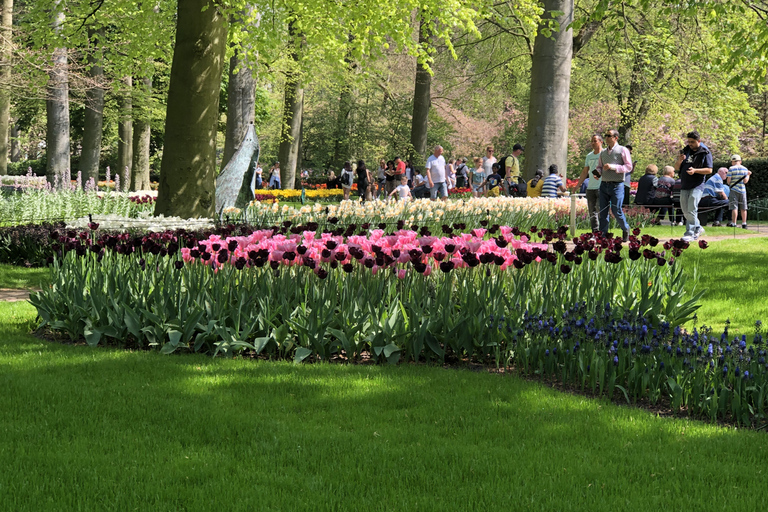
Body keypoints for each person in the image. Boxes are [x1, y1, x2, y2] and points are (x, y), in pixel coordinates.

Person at [674, 130, 713, 241]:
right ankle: (698, 227)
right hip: (685, 184)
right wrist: (679, 160)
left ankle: (690, 233)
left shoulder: (705, 152)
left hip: (697, 185)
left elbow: (709, 170)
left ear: (698, 141)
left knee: (692, 209)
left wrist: (695, 170)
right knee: (685, 210)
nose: (690, 144)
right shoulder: (686, 150)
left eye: (692, 142)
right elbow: (676, 168)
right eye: (689, 141)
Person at [596, 129, 632, 241]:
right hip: (603, 185)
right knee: (603, 211)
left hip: (617, 185)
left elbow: (628, 167)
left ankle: (625, 228)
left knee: (616, 210)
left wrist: (613, 167)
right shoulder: (602, 153)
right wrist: (596, 174)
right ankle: (603, 235)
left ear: (616, 137)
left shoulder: (623, 150)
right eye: (605, 135)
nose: (606, 138)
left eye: (609, 136)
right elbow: (599, 167)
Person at [576, 134, 604, 232]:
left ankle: (603, 232)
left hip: (602, 187)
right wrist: (577, 185)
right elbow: (585, 172)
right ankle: (595, 233)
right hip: (590, 188)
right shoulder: (589, 156)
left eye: (595, 141)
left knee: (601, 211)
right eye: (591, 141)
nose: (592, 143)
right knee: (592, 212)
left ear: (601, 142)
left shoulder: (605, 154)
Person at [727, 154, 752, 228]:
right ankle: (744, 223)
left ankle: (734, 223)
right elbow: (745, 181)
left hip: (734, 189)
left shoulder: (731, 168)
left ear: (732, 161)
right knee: (743, 207)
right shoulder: (745, 169)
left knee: (734, 207)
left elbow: (728, 181)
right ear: (740, 161)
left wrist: (730, 184)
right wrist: (748, 175)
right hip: (743, 190)